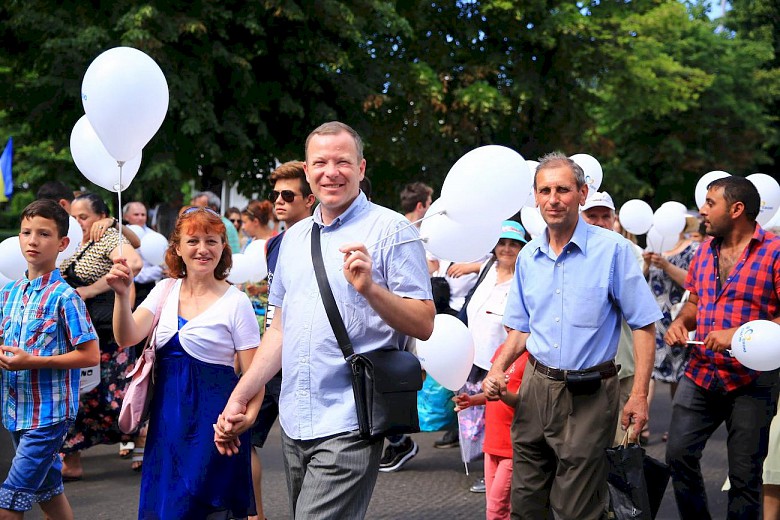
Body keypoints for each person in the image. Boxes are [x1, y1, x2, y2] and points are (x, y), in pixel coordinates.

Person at [214, 121, 434, 519]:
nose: (331, 171)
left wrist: (371, 289)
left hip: (351, 419)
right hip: (296, 423)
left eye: (342, 161)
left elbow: (423, 322)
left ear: (362, 168)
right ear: (308, 171)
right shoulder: (293, 241)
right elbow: (279, 330)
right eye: (320, 162)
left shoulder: (392, 230)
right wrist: (240, 394)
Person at [483, 152, 660, 519]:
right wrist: (497, 367)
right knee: (526, 503)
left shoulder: (613, 250)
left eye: (563, 189)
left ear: (582, 193)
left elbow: (644, 325)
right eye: (544, 190)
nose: (553, 198)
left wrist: (640, 396)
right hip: (534, 387)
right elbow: (520, 330)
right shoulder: (529, 255)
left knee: (575, 508)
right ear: (534, 197)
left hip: (590, 394)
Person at [107, 205, 261, 519]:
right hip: (166, 427)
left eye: (211, 241)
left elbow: (254, 374)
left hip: (215, 426)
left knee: (202, 508)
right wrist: (122, 297)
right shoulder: (164, 290)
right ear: (178, 247)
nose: (202, 249)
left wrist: (247, 420)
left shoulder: (237, 302)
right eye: (193, 241)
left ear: (222, 247)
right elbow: (127, 336)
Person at [664, 175, 780, 519]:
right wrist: (681, 322)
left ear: (737, 209)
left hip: (752, 382)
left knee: (745, 477)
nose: (702, 210)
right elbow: (694, 303)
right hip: (700, 372)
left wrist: (738, 334)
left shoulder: (774, 252)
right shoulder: (704, 251)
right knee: (677, 455)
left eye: (711, 203)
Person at [0, 200, 100, 519]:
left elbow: (90, 354)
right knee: (49, 493)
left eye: (44, 233)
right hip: (15, 409)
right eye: (26, 232)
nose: (32, 240)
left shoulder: (65, 297)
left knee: (9, 500)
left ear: (62, 243)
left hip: (49, 415)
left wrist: (34, 361)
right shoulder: (10, 293)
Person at [58, 193, 144, 480]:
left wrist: (92, 289)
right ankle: (71, 459)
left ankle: (140, 437)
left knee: (114, 398)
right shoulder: (68, 242)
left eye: (84, 217)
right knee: (73, 398)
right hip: (73, 334)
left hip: (106, 333)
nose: (78, 222)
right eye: (75, 216)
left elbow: (134, 262)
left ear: (100, 217)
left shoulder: (106, 237)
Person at [249, 160, 316, 520]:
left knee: (308, 451)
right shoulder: (274, 244)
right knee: (243, 435)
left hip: (306, 359)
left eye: (288, 195)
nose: (278, 201)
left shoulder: (320, 242)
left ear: (310, 200)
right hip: (273, 355)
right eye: (275, 195)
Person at [461, 220, 527, 493]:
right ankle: (487, 466)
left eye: (513, 244)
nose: (507, 248)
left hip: (502, 360)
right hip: (472, 355)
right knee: (473, 413)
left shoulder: (523, 277)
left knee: (498, 413)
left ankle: (499, 471)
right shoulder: (488, 268)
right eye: (503, 243)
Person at [580, 191, 643, 446]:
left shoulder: (627, 251)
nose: (599, 221)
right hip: (580, 366)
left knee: (622, 444)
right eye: (591, 215)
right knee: (584, 444)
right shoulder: (566, 250)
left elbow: (633, 307)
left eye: (605, 216)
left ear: (614, 219)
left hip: (620, 363)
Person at [380, 181, 435, 473]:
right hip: (400, 316)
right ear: (420, 206)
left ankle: (400, 439)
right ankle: (399, 440)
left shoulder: (408, 231)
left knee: (402, 382)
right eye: (430, 201)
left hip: (414, 316)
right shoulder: (404, 232)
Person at [454, 344, 528, 520]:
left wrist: (500, 393)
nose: (510, 324)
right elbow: (490, 394)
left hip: (511, 447)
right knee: (495, 505)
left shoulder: (533, 357)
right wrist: (471, 400)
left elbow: (523, 402)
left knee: (497, 508)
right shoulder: (503, 350)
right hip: (491, 445)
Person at [642, 216, 699, 444]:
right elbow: (639, 280)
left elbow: (693, 283)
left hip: (678, 318)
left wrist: (666, 265)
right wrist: (647, 263)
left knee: (679, 373)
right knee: (648, 371)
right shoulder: (654, 245)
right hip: (652, 318)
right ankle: (641, 427)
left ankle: (677, 428)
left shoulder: (693, 249)